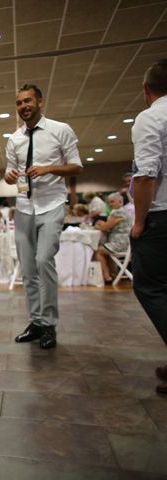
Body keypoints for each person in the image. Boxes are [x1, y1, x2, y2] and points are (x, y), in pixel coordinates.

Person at [5, 83, 83, 349]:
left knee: (43, 260)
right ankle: (36, 322)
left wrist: (48, 169)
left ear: (40, 102)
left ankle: (49, 324)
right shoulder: (14, 139)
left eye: (28, 101)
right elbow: (10, 171)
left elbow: (77, 166)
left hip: (51, 204)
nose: (23, 106)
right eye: (19, 103)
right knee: (27, 268)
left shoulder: (60, 130)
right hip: (24, 206)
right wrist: (9, 175)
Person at [128, 59, 167, 393]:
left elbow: (145, 175)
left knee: (150, 286)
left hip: (163, 214)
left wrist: (139, 221)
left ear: (146, 89)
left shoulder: (151, 117)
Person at [94, 192, 132, 283]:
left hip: (120, 243)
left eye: (112, 202)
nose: (110, 204)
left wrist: (99, 224)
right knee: (106, 251)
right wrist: (103, 225)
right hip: (127, 243)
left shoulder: (118, 212)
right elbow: (108, 225)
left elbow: (105, 227)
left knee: (99, 251)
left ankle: (107, 276)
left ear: (120, 201)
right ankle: (113, 274)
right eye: (109, 202)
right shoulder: (125, 211)